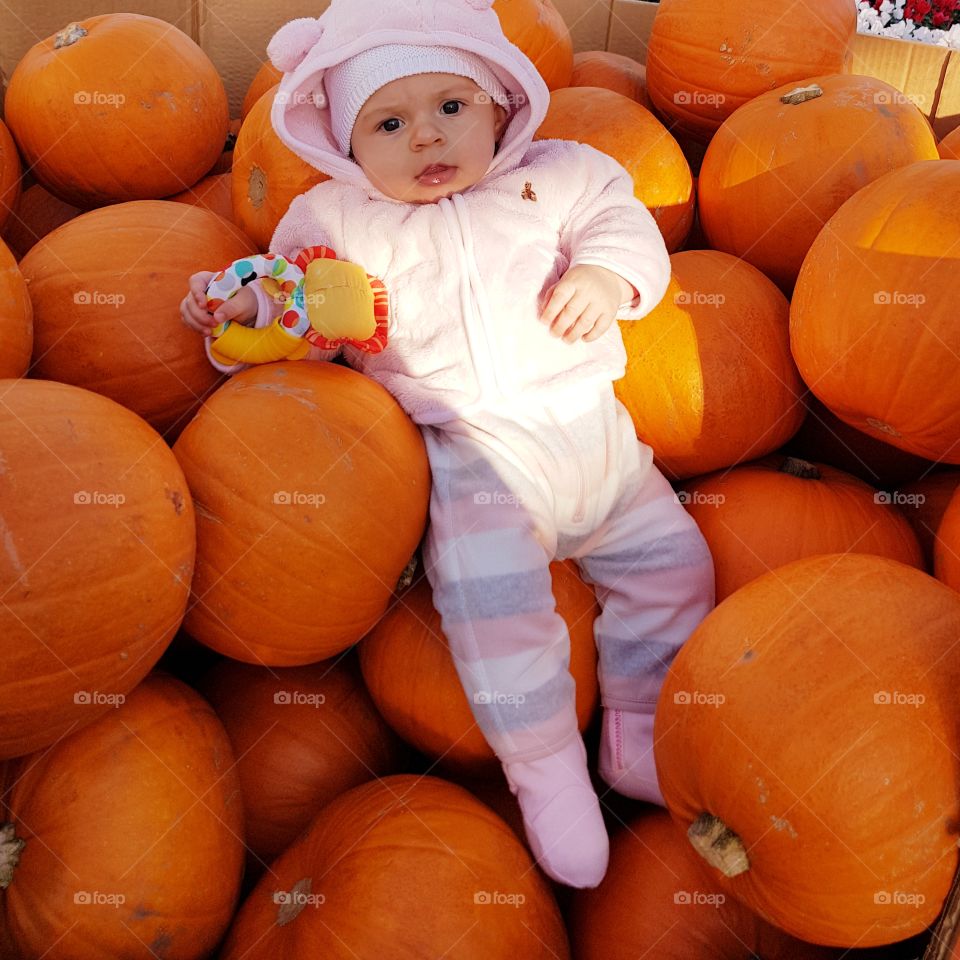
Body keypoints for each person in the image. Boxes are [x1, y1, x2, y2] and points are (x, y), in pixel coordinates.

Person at [180, 0, 714, 889]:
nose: (426, 136)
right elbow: (301, 300)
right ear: (345, 148)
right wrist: (245, 307)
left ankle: (638, 730)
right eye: (388, 124)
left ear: (498, 105)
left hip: (595, 434)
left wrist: (605, 272)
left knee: (678, 567)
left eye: (451, 107)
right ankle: (546, 768)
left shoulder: (557, 178)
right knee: (492, 609)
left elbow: (623, 223)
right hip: (477, 453)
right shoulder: (344, 224)